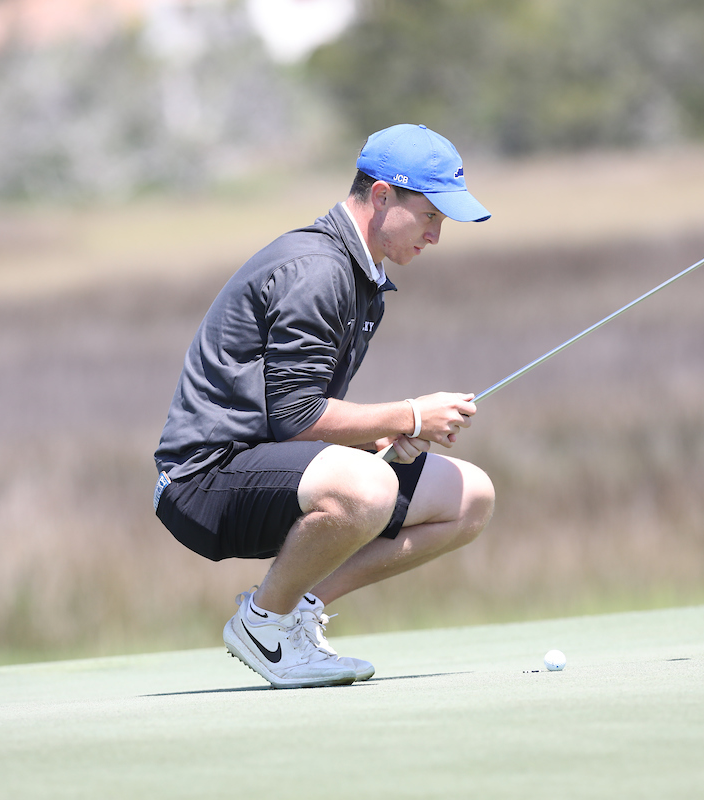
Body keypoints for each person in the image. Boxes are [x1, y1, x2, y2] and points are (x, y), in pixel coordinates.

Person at [153, 123, 496, 689]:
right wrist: (409, 417)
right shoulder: (319, 269)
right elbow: (295, 418)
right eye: (432, 214)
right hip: (202, 481)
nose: (437, 235)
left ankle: (292, 610)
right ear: (383, 195)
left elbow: (298, 414)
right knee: (367, 486)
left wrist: (376, 438)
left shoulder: (363, 274)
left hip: (270, 466)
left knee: (470, 498)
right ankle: (265, 625)